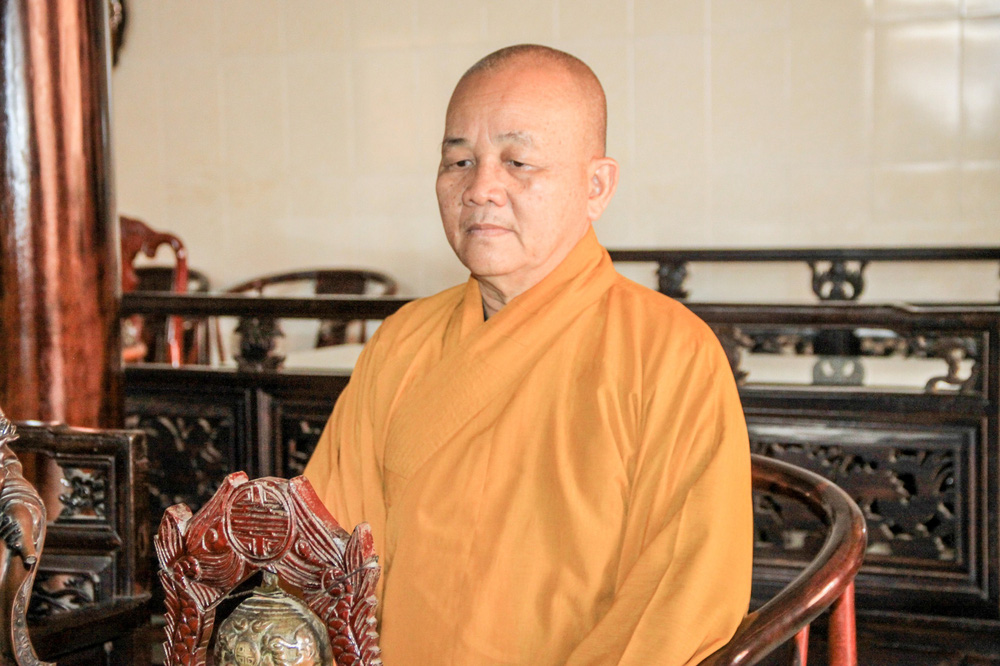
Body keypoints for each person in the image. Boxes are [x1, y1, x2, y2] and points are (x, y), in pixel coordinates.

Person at [305, 44, 752, 665]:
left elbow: (678, 602)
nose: (479, 188)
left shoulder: (669, 354)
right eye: (459, 161)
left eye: (517, 162)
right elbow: (322, 555)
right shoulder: (402, 342)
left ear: (596, 186)